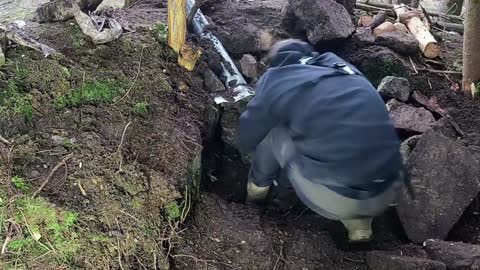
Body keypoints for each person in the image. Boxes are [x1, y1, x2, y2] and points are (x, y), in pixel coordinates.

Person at [235, 39, 407, 242]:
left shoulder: (279, 79)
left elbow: (247, 135)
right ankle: (360, 227)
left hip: (334, 199)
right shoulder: (345, 71)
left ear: (278, 64)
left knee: (272, 133)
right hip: (386, 192)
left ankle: (256, 196)